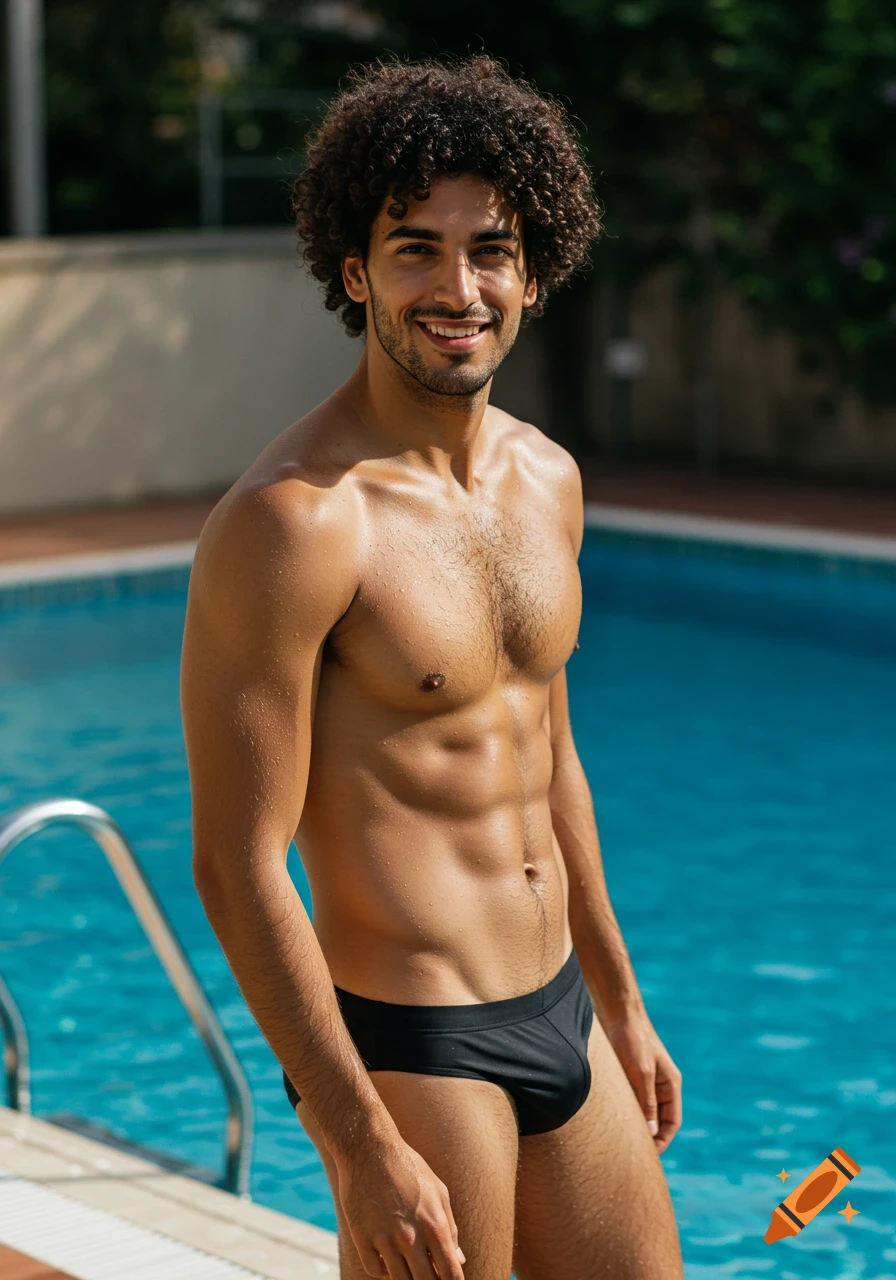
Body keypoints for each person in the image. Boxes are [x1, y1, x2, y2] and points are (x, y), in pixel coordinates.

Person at [181, 55, 684, 1280]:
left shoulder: (547, 481)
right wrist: (354, 1139)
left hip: (558, 996)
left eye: (490, 250)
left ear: (533, 273)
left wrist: (618, 996)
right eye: (415, 248)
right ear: (355, 274)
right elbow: (238, 862)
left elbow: (547, 751)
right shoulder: (295, 521)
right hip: (418, 1041)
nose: (456, 287)